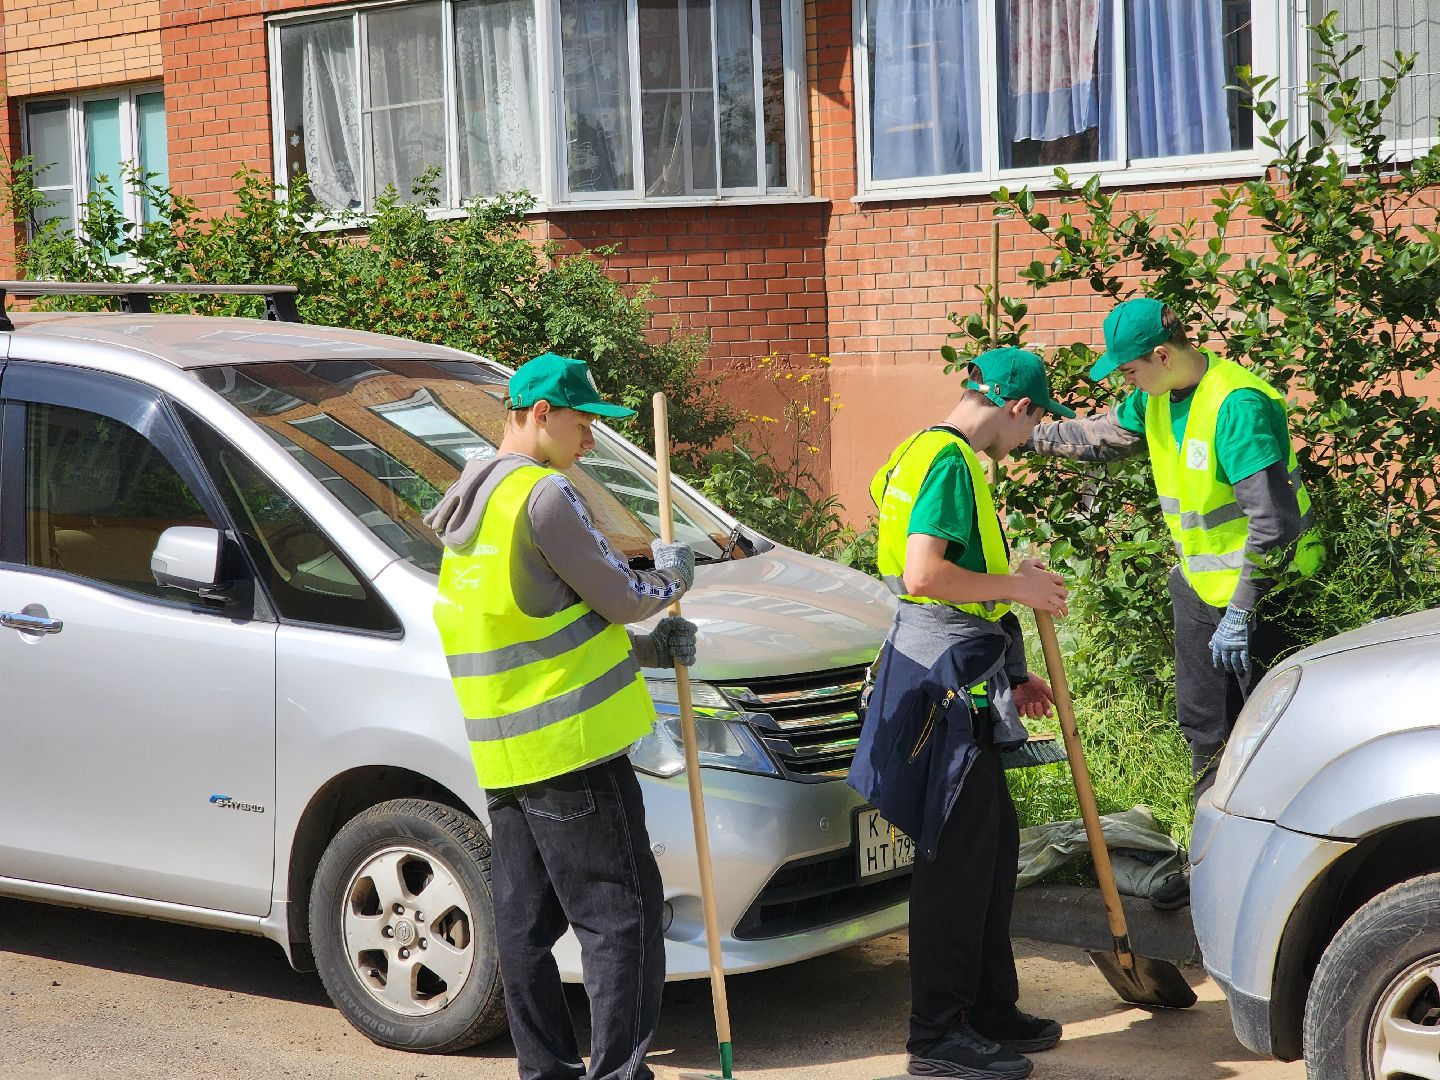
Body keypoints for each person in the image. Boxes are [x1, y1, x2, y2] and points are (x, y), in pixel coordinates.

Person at [425, 352, 698, 1080]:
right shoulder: (544, 495)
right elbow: (619, 595)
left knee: (523, 926)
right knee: (623, 921)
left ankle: (545, 1071)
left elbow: (541, 623)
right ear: (542, 413)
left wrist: (643, 650)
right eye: (584, 422)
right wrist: (673, 575)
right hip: (575, 752)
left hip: (509, 755)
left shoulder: (474, 502)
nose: (592, 439)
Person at [1027, 297, 1323, 910]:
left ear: (1162, 355)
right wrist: (1029, 435)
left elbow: (1273, 524)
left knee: (1273, 741)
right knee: (1207, 733)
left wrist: (1243, 607)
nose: (1126, 383)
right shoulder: (1156, 398)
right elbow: (1106, 435)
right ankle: (1213, 868)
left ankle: (1281, 888)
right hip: (1199, 592)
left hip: (1268, 599)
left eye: (1130, 369)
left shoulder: (1236, 405)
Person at [851, 347, 1073, 1080]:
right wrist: (1016, 588)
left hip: (952, 676)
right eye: (1036, 422)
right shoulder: (951, 463)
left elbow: (944, 587)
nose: (1030, 440)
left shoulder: (919, 450)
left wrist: (1010, 669)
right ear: (1016, 407)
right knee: (954, 867)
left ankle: (987, 1007)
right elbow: (924, 574)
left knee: (993, 850)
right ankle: (938, 1035)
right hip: (938, 689)